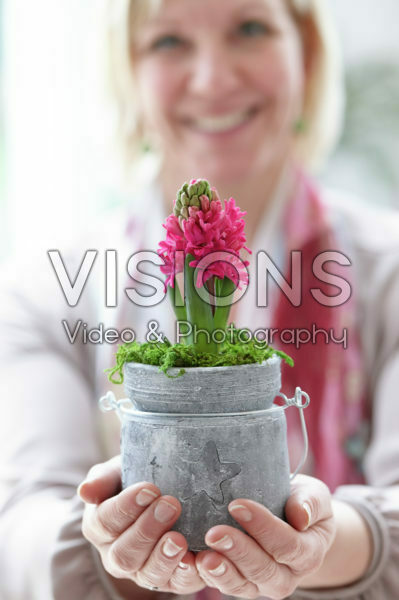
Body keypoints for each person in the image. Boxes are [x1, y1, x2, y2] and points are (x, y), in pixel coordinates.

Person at [0, 0, 399, 599]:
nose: (213, 79)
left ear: (308, 54)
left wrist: (320, 541)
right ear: (127, 73)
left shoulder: (384, 272)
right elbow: (21, 533)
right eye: (167, 42)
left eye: (250, 28)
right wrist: (110, 535)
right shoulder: (49, 290)